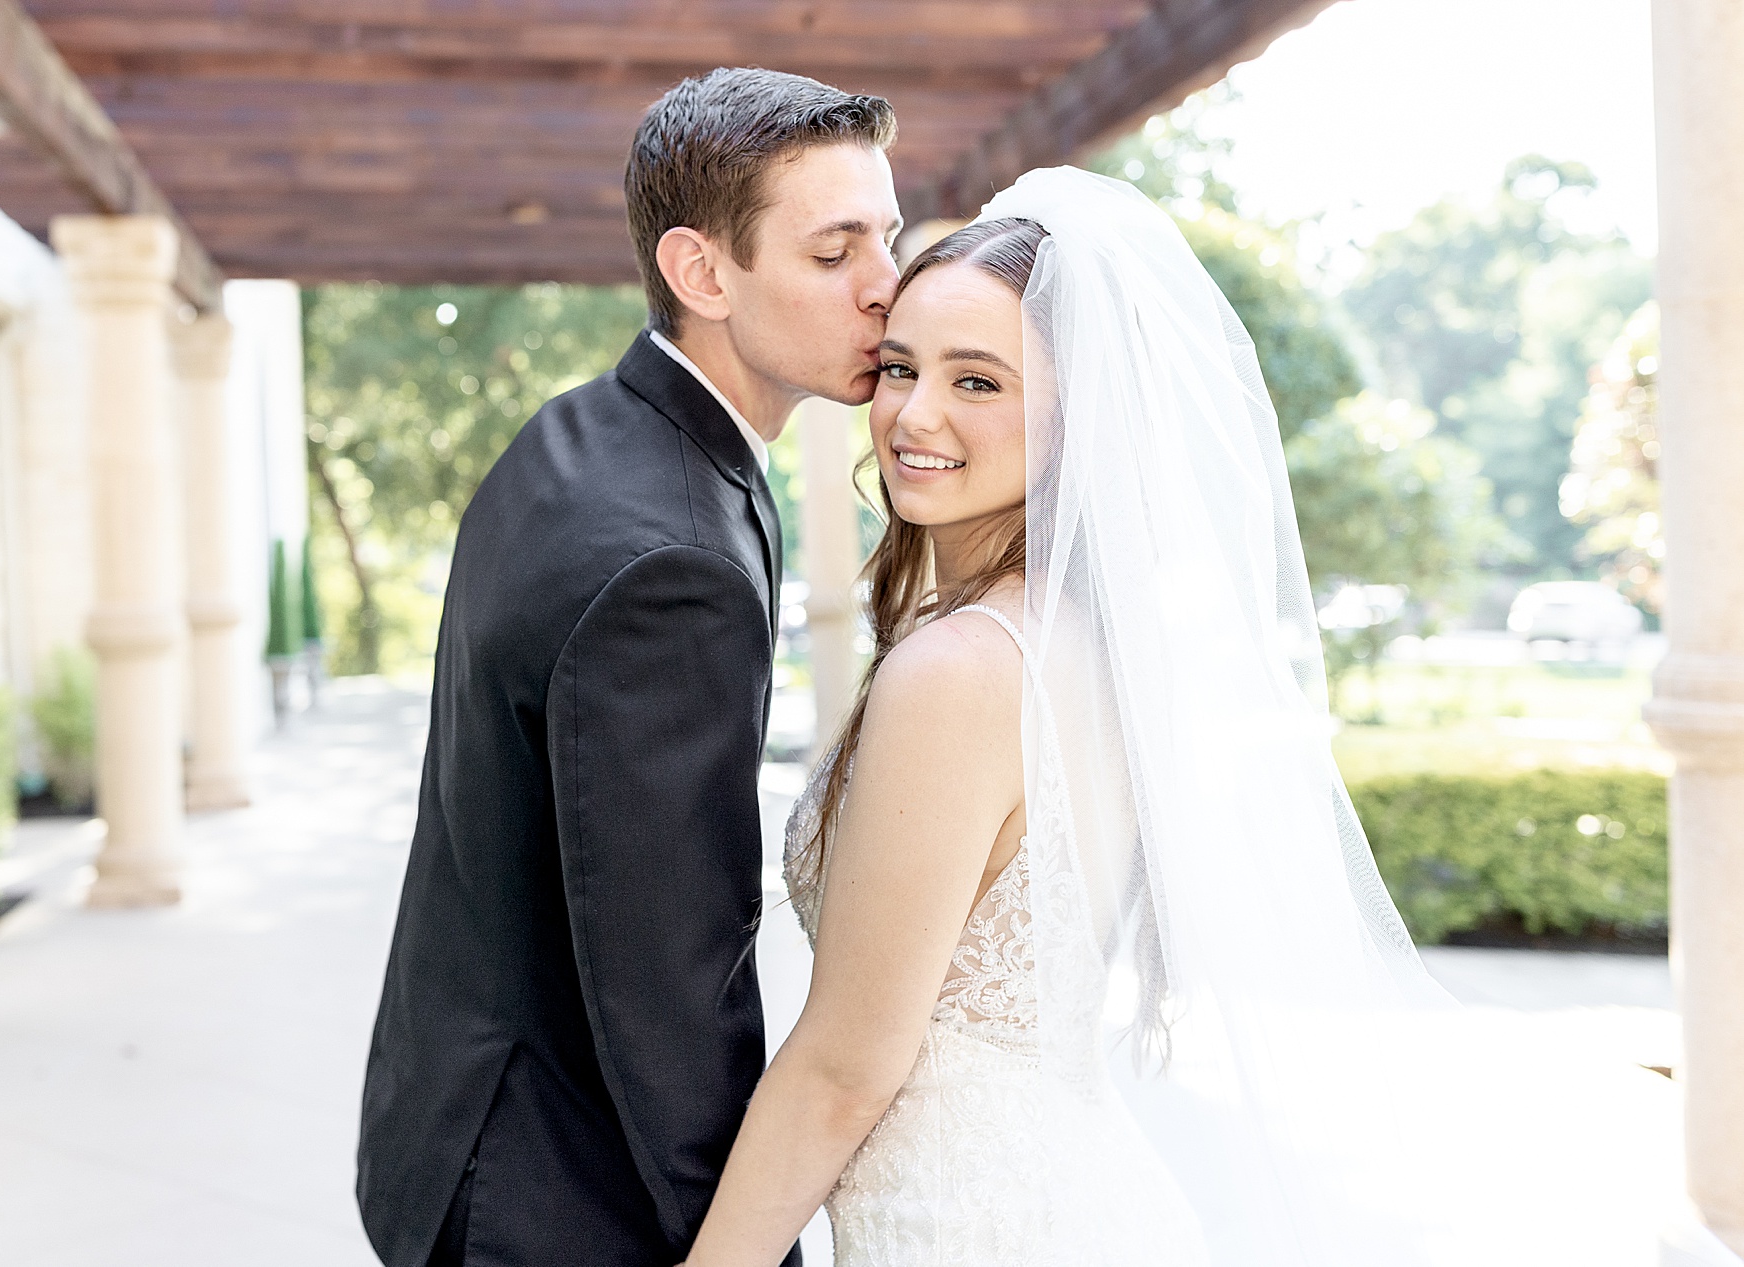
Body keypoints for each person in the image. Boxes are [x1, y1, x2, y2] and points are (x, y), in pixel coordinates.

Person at [678, 167, 1744, 1267]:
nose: (915, 412)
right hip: (1063, 1195)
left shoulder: (958, 670)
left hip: (970, 1226)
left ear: (1077, 420)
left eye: (979, 381)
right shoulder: (1068, 643)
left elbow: (846, 1070)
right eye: (899, 367)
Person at [355, 68, 902, 1267]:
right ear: (703, 273)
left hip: (449, 1126)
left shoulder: (580, 434)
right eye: (833, 251)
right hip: (553, 1197)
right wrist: (743, 1242)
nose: (884, 287)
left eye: (888, 237)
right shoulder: (672, 564)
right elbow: (671, 980)